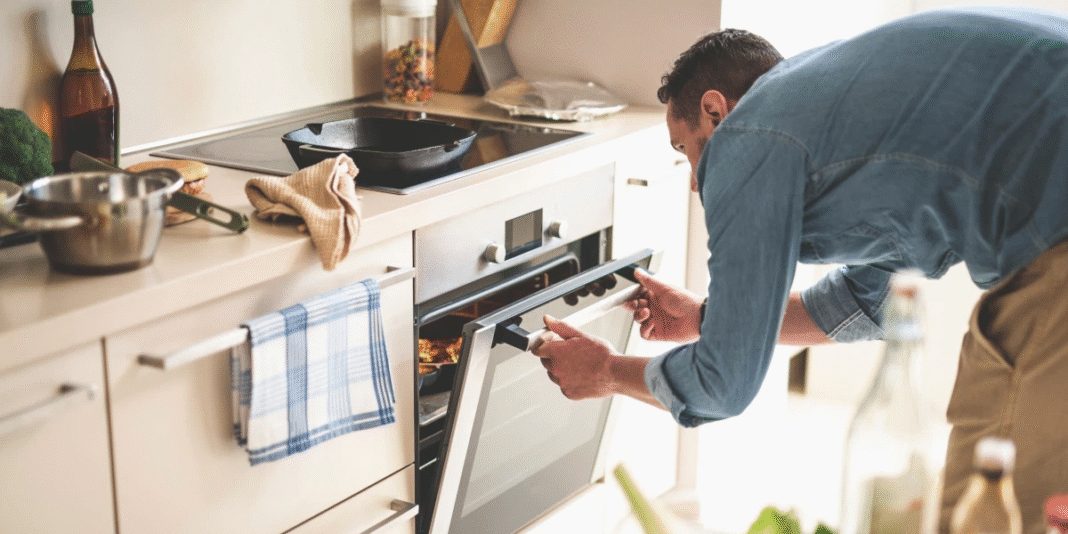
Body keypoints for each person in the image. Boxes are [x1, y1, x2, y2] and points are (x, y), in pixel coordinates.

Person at [531, 6, 1068, 534]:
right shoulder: (840, 117)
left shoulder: (748, 136)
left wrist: (607, 372)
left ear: (716, 112)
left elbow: (724, 383)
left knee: (989, 507)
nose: (695, 181)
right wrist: (705, 319)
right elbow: (864, 304)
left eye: (686, 149)